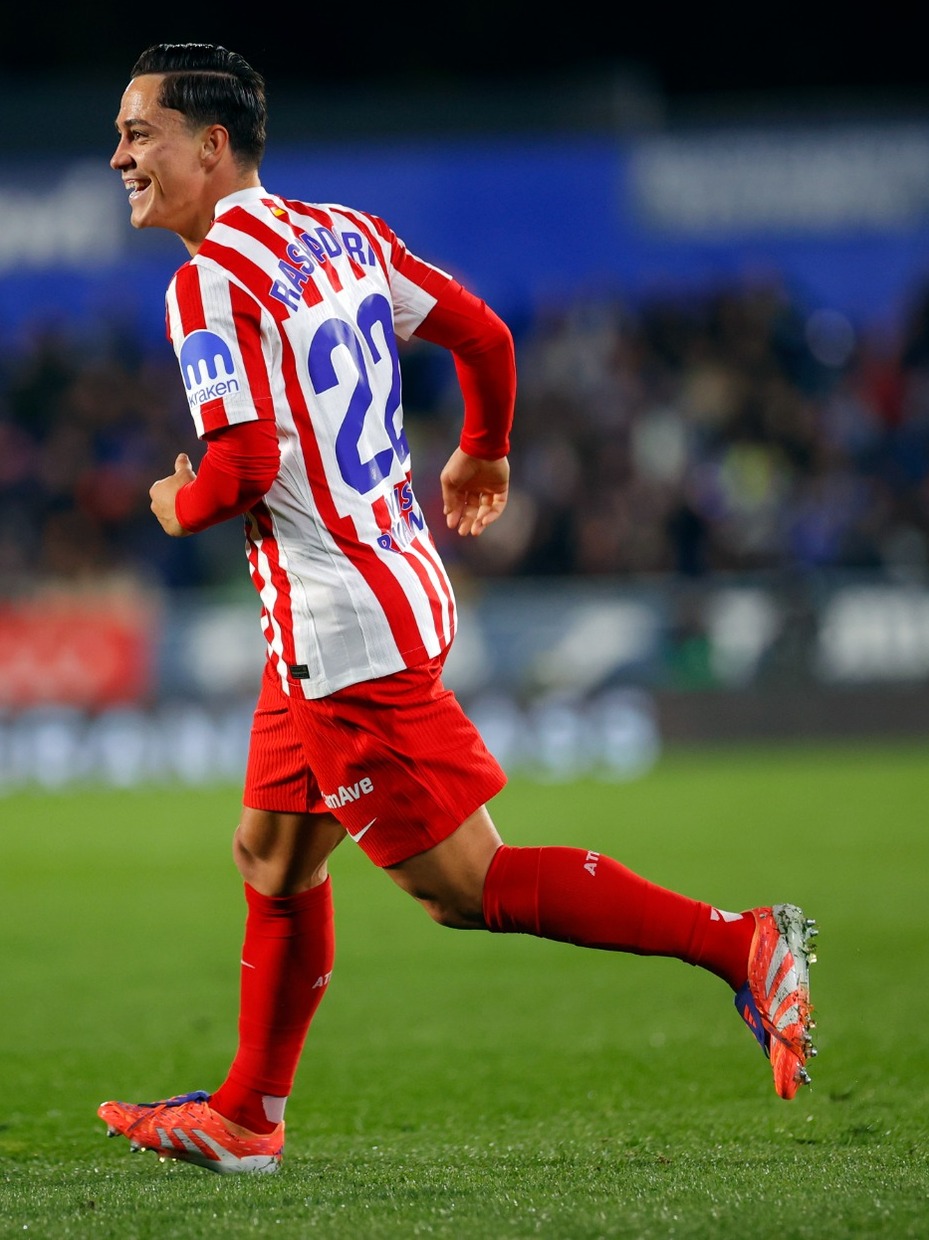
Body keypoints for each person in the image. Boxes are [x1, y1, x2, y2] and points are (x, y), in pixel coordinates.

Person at [98, 43, 817, 1176]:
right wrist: (482, 451)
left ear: (211, 143)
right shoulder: (343, 232)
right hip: (374, 593)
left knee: (465, 887)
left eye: (139, 134)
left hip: (345, 631)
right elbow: (484, 334)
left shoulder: (208, 282)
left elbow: (234, 470)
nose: (119, 154)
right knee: (273, 852)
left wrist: (170, 503)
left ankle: (743, 944)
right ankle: (245, 1114)